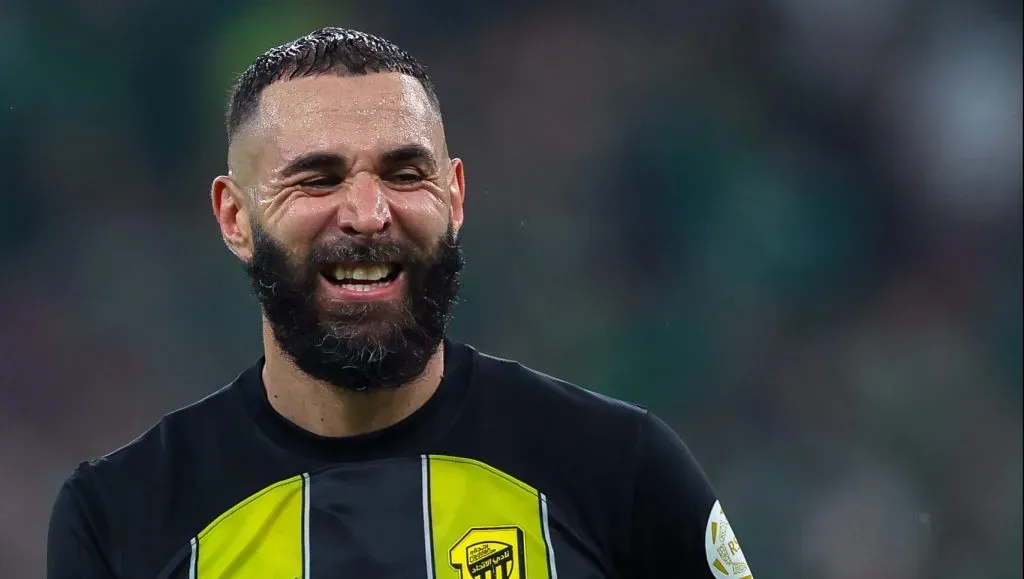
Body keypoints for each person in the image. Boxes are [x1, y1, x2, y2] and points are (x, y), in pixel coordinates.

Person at [46, 27, 754, 579]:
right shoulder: (122, 515)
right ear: (236, 218)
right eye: (317, 178)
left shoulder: (617, 470)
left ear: (454, 196)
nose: (367, 211)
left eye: (404, 171)